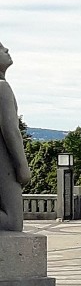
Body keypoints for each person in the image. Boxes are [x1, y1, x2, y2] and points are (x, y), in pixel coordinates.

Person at [0, 41, 31, 232]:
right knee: (13, 221)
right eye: (0, 49)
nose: (6, 50)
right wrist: (22, 166)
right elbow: (11, 130)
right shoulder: (2, 87)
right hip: (3, 161)